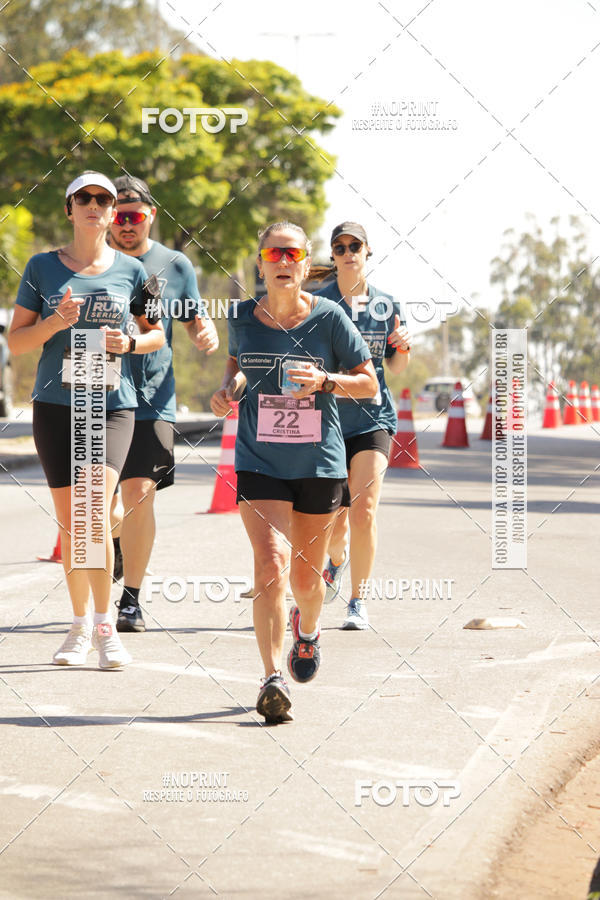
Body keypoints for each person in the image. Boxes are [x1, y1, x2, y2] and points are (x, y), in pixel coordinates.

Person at [210, 221, 377, 724]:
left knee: (306, 581)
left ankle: (307, 632)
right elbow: (239, 368)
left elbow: (369, 385)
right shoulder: (242, 315)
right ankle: (270, 678)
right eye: (273, 253)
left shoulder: (329, 318)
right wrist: (228, 390)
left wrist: (326, 381)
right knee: (269, 564)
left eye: (293, 254)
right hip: (259, 459)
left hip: (317, 464)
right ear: (260, 264)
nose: (283, 261)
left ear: (306, 265)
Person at [8, 171, 165, 668]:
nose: (95, 205)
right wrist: (55, 322)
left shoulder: (134, 272)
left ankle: (105, 629)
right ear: (70, 209)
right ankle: (78, 628)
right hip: (57, 406)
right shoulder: (41, 268)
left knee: (94, 511)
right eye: (85, 198)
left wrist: (131, 343)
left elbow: (157, 334)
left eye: (104, 199)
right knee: (74, 521)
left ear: (114, 210)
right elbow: (16, 341)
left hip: (113, 404)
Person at [107, 175, 219, 633]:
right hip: (101, 394)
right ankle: (118, 544)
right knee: (104, 504)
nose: (126, 225)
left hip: (153, 396)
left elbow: (194, 318)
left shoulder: (175, 265)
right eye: (119, 216)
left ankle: (131, 599)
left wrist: (204, 331)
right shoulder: (96, 260)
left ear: (151, 215)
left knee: (138, 494)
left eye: (134, 217)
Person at [314, 221, 410, 630]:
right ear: (333, 255)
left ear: (368, 252)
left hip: (374, 417)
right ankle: (337, 560)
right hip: (329, 421)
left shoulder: (386, 304)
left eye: (356, 245)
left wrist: (403, 346)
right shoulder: (317, 302)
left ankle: (358, 601)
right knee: (334, 520)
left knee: (364, 509)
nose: (348, 252)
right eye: (340, 247)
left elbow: (397, 368)